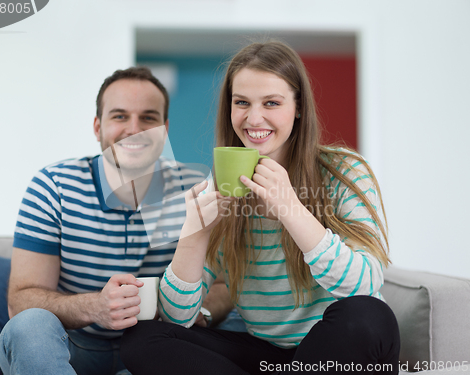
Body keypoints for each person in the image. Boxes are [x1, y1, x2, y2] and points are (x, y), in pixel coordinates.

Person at [120, 41, 401, 374]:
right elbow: (179, 318)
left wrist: (291, 209)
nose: (254, 118)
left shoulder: (345, 171)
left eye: (271, 102)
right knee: (143, 339)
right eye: (242, 103)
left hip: (334, 349)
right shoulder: (223, 185)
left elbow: (365, 285)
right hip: (269, 357)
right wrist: (192, 235)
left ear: (298, 107)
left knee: (368, 317)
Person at [0, 67, 233, 375]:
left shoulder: (195, 187)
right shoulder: (54, 187)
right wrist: (95, 307)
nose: (134, 129)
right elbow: (21, 300)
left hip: (151, 349)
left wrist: (200, 310)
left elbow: (225, 284)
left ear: (164, 129)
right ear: (98, 127)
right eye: (119, 116)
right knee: (29, 325)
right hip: (68, 347)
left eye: (148, 118)